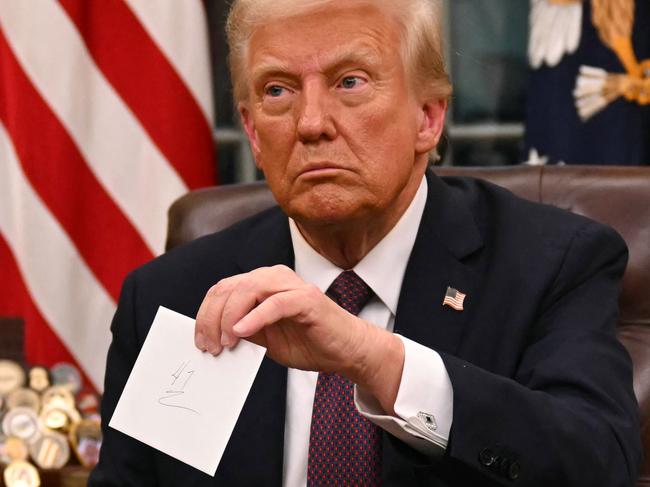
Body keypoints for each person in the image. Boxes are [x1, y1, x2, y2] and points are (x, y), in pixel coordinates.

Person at [89, 0, 641, 485]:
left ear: (428, 117)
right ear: (253, 133)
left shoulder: (550, 263)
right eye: (277, 90)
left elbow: (596, 465)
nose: (310, 123)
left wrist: (372, 359)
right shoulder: (178, 295)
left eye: (350, 81)